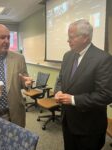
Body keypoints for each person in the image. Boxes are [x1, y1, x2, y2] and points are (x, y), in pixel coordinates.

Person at [54, 19, 112, 150]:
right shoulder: (67, 56)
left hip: (89, 127)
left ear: (85, 37)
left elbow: (106, 95)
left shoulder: (103, 59)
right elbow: (60, 79)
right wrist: (58, 91)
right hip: (67, 121)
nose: (68, 40)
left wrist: (73, 99)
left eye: (71, 37)